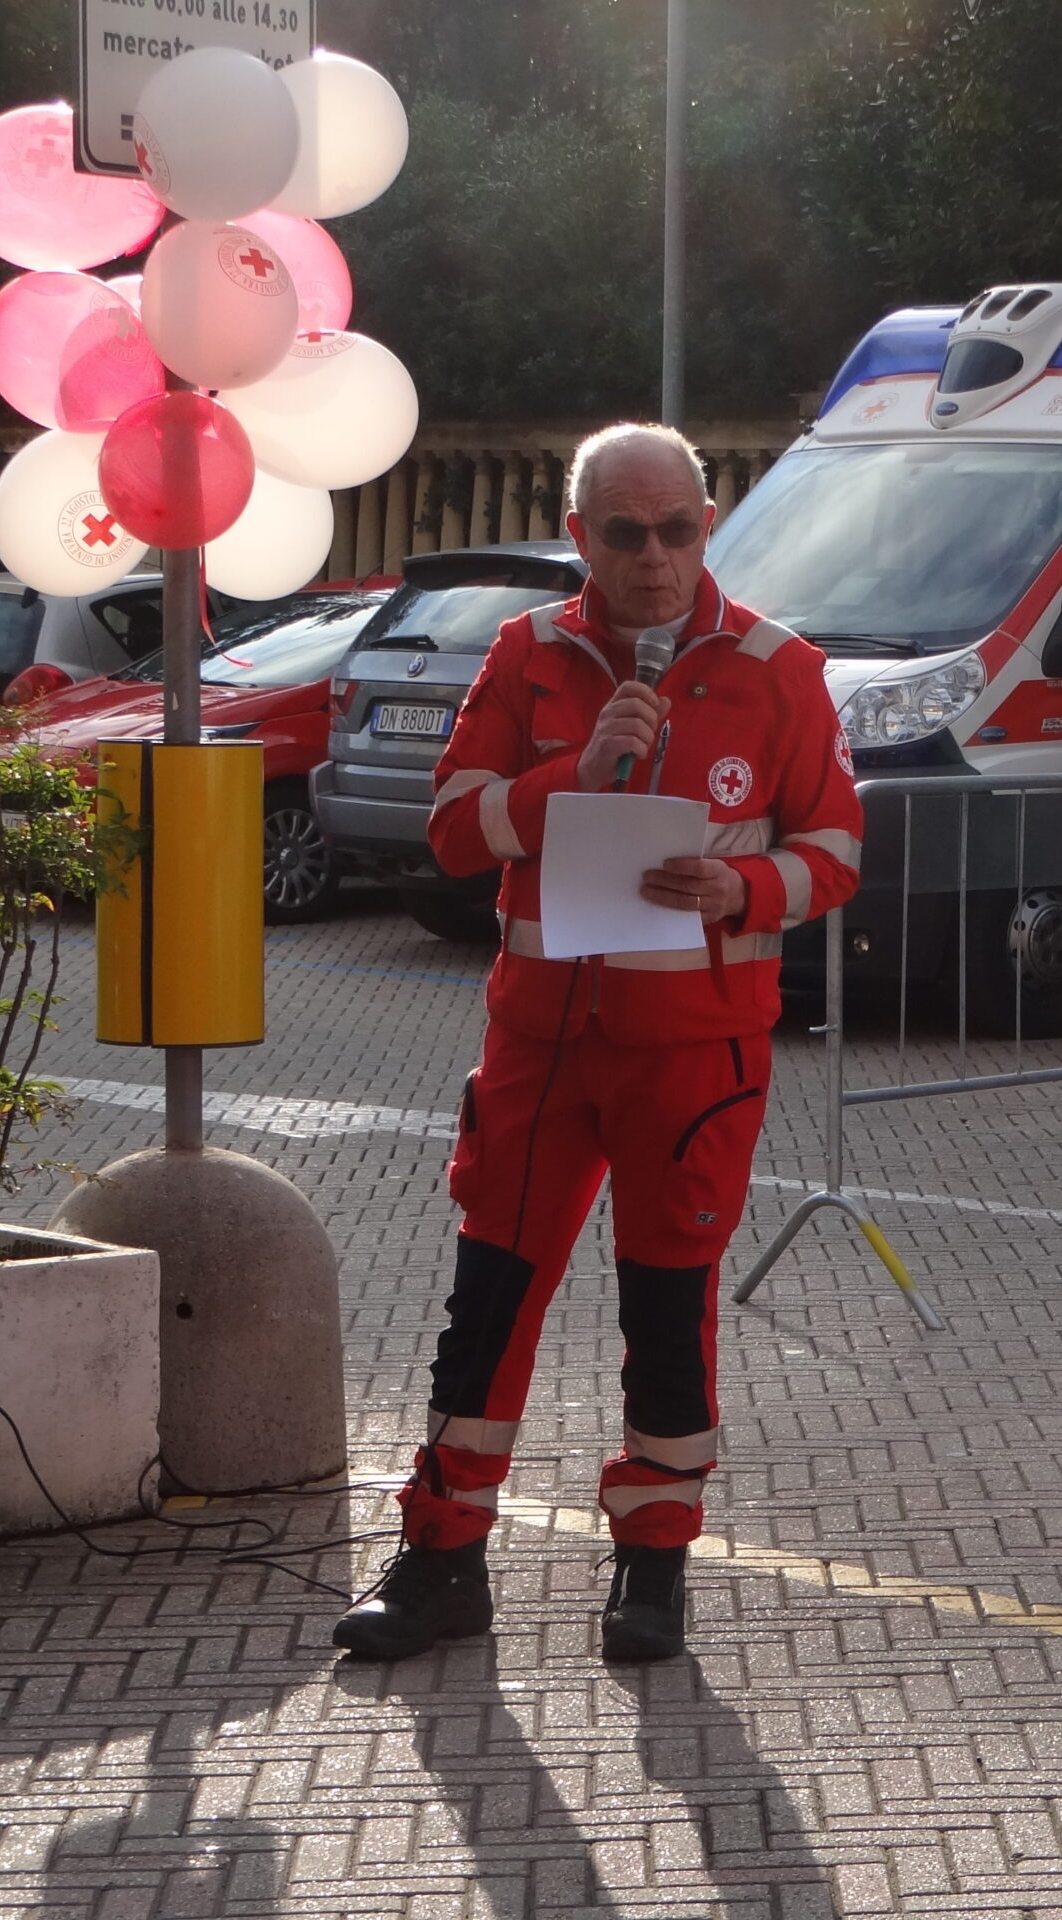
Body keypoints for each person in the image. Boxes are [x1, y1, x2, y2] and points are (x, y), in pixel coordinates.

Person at [333, 423, 862, 1664]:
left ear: (707, 522)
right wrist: (578, 767)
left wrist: (748, 892)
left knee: (666, 1311)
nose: (655, 559)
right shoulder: (526, 657)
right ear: (581, 538)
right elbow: (455, 830)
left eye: (677, 529)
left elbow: (836, 850)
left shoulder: (780, 669)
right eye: (624, 534)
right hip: (541, 1044)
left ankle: (654, 1567)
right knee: (488, 1305)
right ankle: (443, 1556)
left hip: (694, 1057)